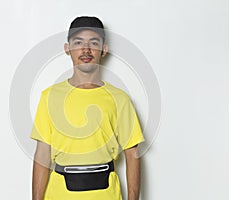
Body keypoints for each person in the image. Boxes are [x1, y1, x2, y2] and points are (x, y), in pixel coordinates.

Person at [30, 16, 145, 200]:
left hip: (106, 194)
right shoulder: (49, 97)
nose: (86, 49)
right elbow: (42, 155)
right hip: (59, 194)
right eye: (78, 42)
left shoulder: (120, 99)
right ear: (67, 49)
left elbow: (132, 154)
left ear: (104, 49)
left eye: (94, 42)